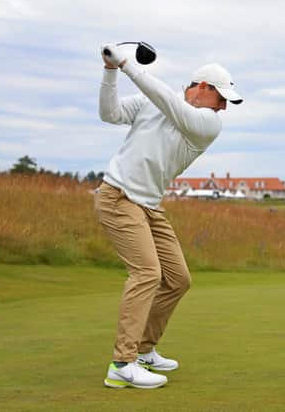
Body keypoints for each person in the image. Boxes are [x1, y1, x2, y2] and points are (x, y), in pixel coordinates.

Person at [95, 43, 243, 389]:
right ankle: (122, 363)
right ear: (203, 87)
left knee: (178, 279)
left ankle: (144, 350)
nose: (224, 106)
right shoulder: (156, 102)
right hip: (118, 196)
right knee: (147, 273)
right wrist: (110, 72)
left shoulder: (207, 124)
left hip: (149, 205)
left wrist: (129, 65)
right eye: (221, 97)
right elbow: (110, 114)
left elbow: (171, 104)